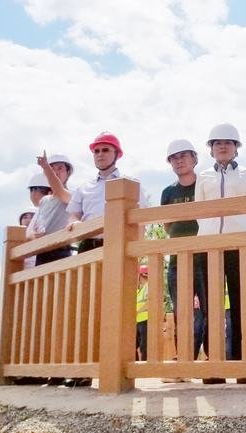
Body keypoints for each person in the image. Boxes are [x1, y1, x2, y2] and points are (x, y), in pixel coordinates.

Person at [66, 131, 147, 386]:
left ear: (117, 154)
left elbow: (141, 219)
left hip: (118, 247)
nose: (100, 155)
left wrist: (137, 251)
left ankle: (118, 369)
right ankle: (83, 371)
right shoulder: (83, 187)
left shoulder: (130, 183)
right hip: (88, 247)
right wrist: (74, 223)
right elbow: (73, 216)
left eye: (105, 150)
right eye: (96, 151)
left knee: (116, 307)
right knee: (85, 308)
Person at [195, 123, 246, 385]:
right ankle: (215, 365)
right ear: (211, 149)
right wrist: (209, 234)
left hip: (239, 246)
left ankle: (242, 364)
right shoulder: (203, 176)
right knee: (212, 306)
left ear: (236, 147)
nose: (222, 146)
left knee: (241, 304)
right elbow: (199, 210)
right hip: (209, 247)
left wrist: (244, 234)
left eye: (228, 142)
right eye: (217, 143)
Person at [160, 139, 215, 383]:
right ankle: (183, 363)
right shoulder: (168, 192)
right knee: (182, 310)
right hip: (178, 257)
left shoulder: (206, 184)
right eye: (174, 157)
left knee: (210, 308)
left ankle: (213, 361)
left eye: (184, 155)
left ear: (194, 158)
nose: (179, 160)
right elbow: (167, 225)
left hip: (206, 254)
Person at [29, 152, 74, 265]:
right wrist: (34, 234)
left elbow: (59, 190)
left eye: (60, 168)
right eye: (52, 168)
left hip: (60, 250)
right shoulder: (44, 201)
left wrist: (46, 167)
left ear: (68, 172)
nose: (55, 172)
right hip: (42, 252)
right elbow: (36, 227)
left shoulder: (71, 195)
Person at [136, 265, 149, 361]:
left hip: (145, 320)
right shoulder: (139, 289)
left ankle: (145, 366)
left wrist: (137, 311)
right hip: (138, 321)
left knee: (144, 346)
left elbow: (150, 302)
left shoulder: (148, 286)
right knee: (132, 345)